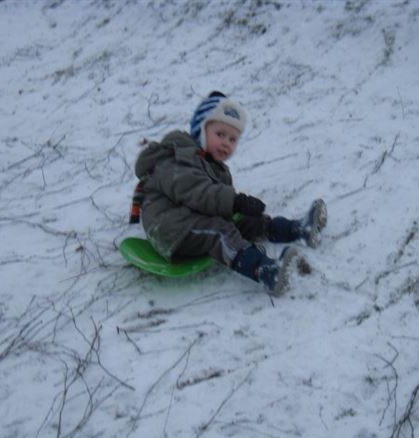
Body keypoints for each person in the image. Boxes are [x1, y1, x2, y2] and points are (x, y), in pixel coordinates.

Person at [130, 91, 326, 296]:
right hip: (172, 229)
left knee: (245, 221)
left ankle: (299, 230)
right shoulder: (177, 160)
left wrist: (238, 207)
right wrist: (236, 201)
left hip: (194, 219)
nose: (226, 143)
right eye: (220, 134)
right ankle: (265, 271)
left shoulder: (214, 166)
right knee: (221, 231)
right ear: (200, 129)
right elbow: (199, 193)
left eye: (233, 139)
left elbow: (215, 200)